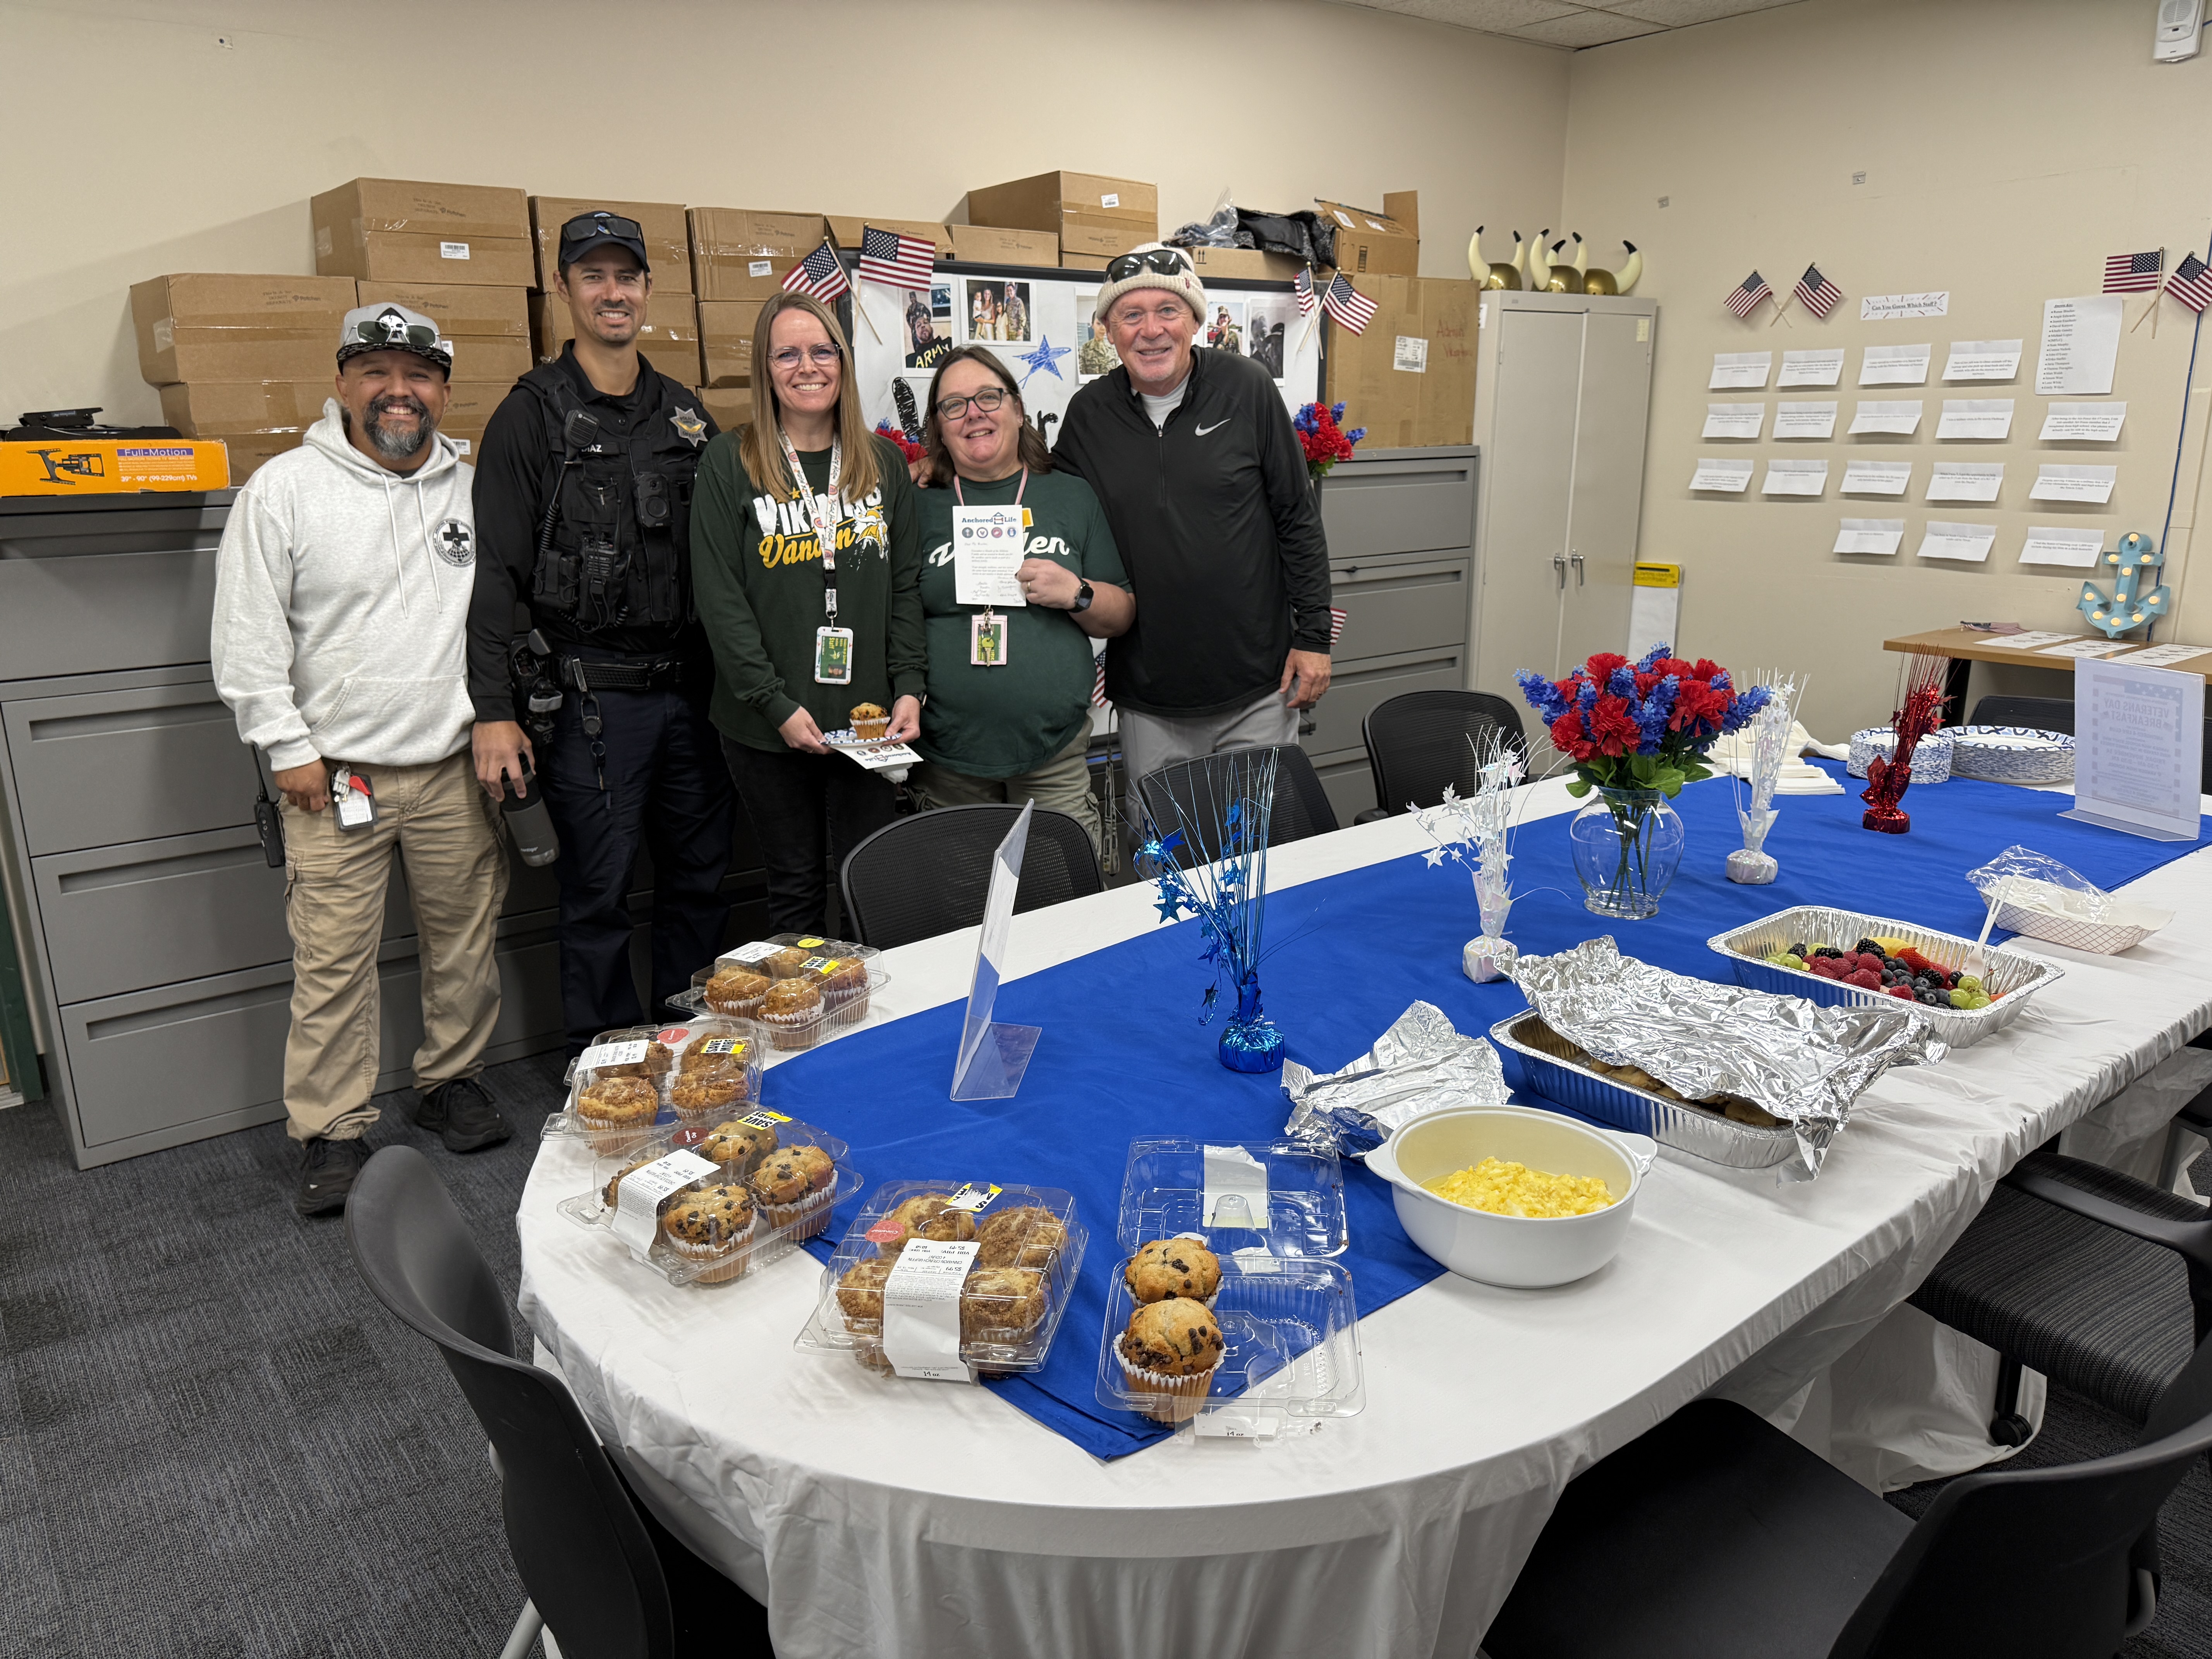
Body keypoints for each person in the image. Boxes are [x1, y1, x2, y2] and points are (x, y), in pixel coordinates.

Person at [211, 304, 511, 1217]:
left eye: (418, 376)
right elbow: (246, 635)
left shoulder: (474, 489)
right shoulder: (285, 490)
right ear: (342, 384)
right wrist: (286, 744)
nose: (398, 392)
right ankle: (332, 1129)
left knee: (465, 946)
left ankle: (450, 1081)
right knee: (333, 964)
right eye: (377, 373)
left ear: (444, 392)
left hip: (453, 766)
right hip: (333, 777)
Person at [468, 210, 736, 1057]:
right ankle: (609, 1067)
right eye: (594, 276)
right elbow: (495, 575)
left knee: (700, 881)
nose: (612, 292)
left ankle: (695, 1051)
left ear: (648, 290)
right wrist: (492, 710)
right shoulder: (530, 416)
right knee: (598, 893)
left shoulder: (686, 414)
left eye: (626, 276)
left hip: (693, 694)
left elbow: (737, 551)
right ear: (565, 289)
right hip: (593, 702)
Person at [1051, 244, 1333, 835]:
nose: (1151, 330)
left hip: (1259, 686)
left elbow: (1297, 518)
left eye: (1168, 311)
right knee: (1170, 862)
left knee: (1262, 856)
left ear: (1196, 321)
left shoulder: (1248, 389)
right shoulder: (1088, 414)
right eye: (1131, 315)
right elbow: (1048, 500)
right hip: (1150, 697)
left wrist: (1313, 639)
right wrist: (943, 471)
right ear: (1108, 330)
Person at [691, 292, 926, 933]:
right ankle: (808, 1003)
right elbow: (720, 598)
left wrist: (910, 685)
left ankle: (867, 1002)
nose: (807, 367)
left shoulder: (882, 463)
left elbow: (904, 586)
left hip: (869, 721)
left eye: (823, 351)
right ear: (764, 368)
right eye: (787, 354)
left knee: (868, 887)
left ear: (843, 363)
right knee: (794, 889)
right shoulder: (729, 461)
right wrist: (773, 703)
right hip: (766, 723)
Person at [905, 347, 1133, 852]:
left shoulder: (1071, 496)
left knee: (1064, 892)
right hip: (946, 762)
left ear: (1018, 409)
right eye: (954, 405)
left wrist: (1076, 593)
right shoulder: (914, 502)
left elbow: (1120, 615)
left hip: (1054, 755)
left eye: (989, 397)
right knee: (959, 897)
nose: (974, 414)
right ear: (939, 427)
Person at [1078, 313, 1118, 378]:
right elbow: (1082, 376)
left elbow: (1117, 375)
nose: (1102, 328)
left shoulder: (1112, 350)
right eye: (1099, 324)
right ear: (1093, 325)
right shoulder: (1085, 350)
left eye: (1104, 325)